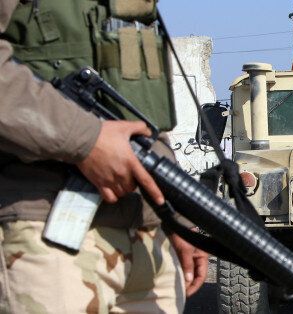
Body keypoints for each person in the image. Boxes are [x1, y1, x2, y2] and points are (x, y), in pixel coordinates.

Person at [0, 1, 207, 313]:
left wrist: (177, 214)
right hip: (44, 233)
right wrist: (87, 140)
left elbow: (140, 113)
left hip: (149, 240)